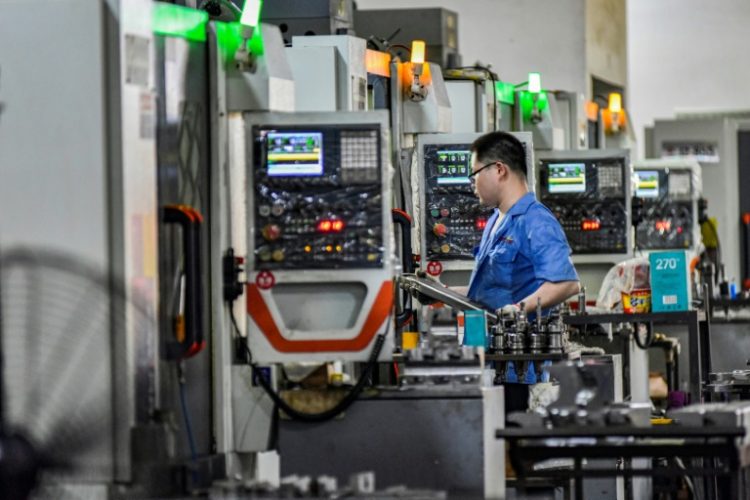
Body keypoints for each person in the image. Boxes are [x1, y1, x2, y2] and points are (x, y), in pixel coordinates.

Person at [466, 131, 579, 315]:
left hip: (522, 340)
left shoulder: (536, 221)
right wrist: (440, 291)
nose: (473, 185)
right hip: (488, 338)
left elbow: (566, 284)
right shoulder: (496, 219)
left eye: (475, 175)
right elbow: (486, 294)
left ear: (499, 170)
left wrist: (519, 309)